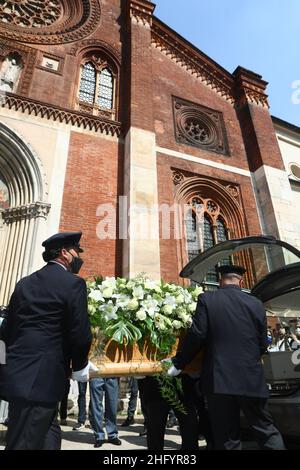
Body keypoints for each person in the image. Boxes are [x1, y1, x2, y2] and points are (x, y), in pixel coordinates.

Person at [168, 265, 285, 450]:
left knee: (227, 437)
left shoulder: (207, 299)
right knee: (265, 429)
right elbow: (263, 342)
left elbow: (198, 335)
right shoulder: (255, 303)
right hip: (251, 378)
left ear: (220, 280)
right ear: (241, 281)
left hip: (220, 380)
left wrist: (179, 362)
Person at [0, 232, 92, 450]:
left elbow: (6, 331)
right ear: (63, 253)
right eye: (75, 251)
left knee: (48, 436)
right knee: (24, 443)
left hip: (21, 375)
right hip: (42, 378)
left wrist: (4, 365)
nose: (77, 256)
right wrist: (80, 366)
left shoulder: (24, 283)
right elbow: (80, 333)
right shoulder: (73, 284)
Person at [89, 377, 122, 448]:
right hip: (96, 372)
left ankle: (112, 435)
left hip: (112, 373)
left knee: (112, 405)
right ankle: (99, 436)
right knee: (96, 406)